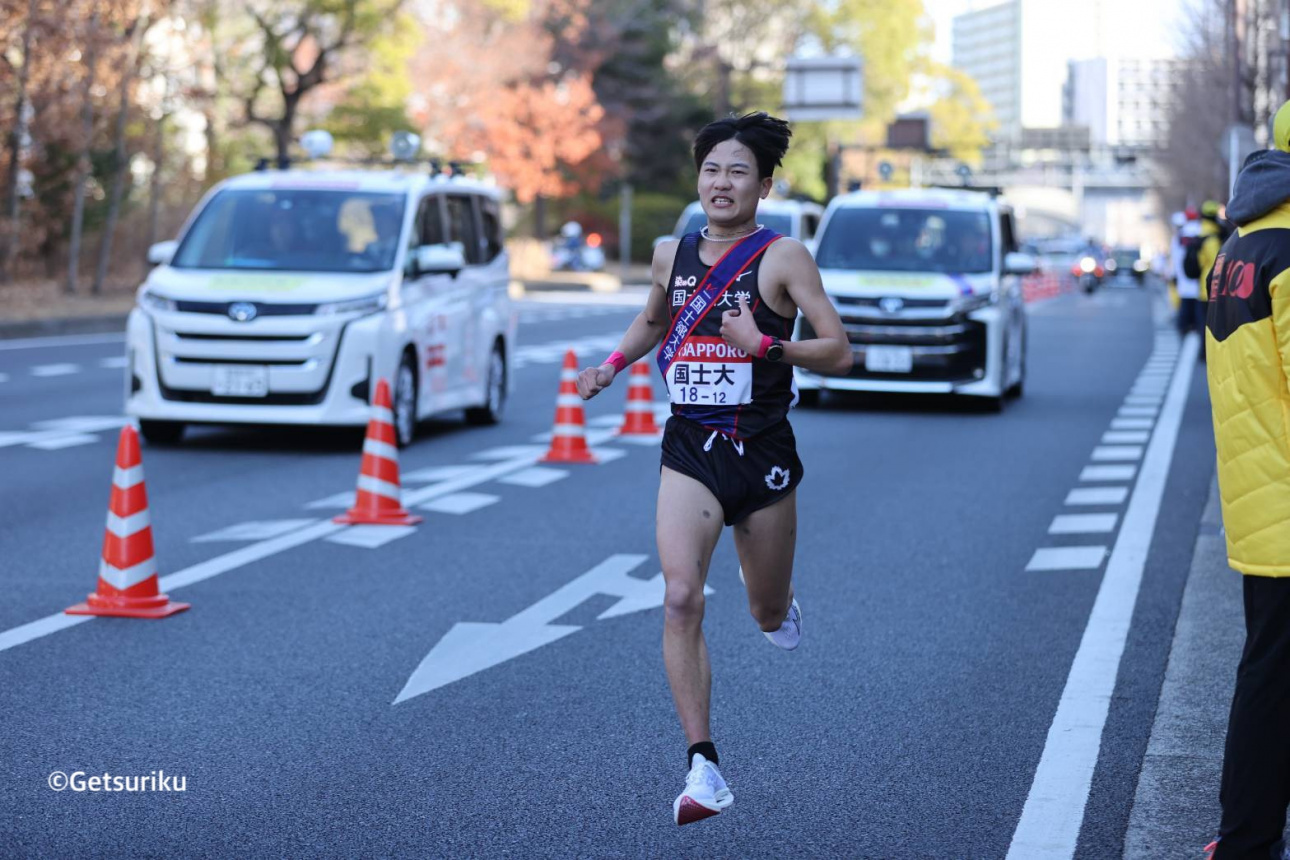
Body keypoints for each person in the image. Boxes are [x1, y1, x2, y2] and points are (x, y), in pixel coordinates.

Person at [574, 111, 851, 826]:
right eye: (711, 171)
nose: (721, 183)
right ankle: (704, 767)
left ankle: (779, 605)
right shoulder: (673, 252)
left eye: (737, 172)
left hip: (762, 457)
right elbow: (656, 320)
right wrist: (610, 366)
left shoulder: (783, 257)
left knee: (763, 612)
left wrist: (765, 346)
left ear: (764, 184)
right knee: (679, 598)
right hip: (691, 449)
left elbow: (839, 350)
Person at [1203, 100, 1290, 860]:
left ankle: (1245, 834)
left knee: (1269, 669)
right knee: (1273, 676)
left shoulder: (1242, 245)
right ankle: (1246, 838)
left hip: (1262, 493)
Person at [1174, 207, 1204, 339]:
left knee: (1185, 305)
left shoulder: (1180, 234)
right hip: (1199, 275)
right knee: (1199, 307)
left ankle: (1184, 327)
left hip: (1183, 274)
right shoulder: (1202, 230)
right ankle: (1197, 327)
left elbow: (1175, 254)